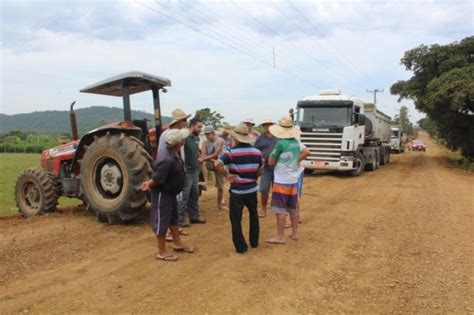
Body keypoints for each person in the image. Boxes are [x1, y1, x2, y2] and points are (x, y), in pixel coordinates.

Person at [141, 129, 194, 262]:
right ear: (179, 143)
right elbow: (157, 179)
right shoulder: (166, 159)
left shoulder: (173, 153)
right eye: (182, 139)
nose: (184, 140)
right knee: (162, 221)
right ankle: (162, 252)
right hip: (162, 194)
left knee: (173, 218)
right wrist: (148, 184)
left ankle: (177, 242)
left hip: (170, 193)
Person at [215, 123, 263, 254]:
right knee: (254, 215)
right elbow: (261, 170)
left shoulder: (231, 152)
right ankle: (254, 242)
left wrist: (227, 175)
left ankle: (241, 247)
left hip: (237, 191)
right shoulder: (257, 152)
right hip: (252, 189)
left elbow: (217, 164)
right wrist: (253, 177)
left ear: (235, 138)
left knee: (236, 219)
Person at [265, 116, 302, 245]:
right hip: (293, 179)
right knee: (293, 208)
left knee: (280, 209)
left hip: (281, 181)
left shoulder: (280, 143)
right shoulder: (296, 143)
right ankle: (294, 233)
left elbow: (270, 162)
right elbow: (305, 152)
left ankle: (280, 236)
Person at [178, 117, 207, 227]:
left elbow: (195, 152)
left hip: (194, 171)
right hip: (187, 172)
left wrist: (199, 157)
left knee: (194, 195)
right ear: (192, 125)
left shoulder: (196, 138)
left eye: (201, 127)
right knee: (184, 197)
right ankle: (179, 220)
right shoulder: (184, 138)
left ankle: (194, 217)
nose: (200, 129)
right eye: (199, 127)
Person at [254, 119, 278, 218]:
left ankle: (277, 209)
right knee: (264, 189)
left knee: (277, 189)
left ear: (272, 125)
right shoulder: (260, 138)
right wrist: (260, 158)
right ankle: (263, 209)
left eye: (269, 124)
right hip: (266, 167)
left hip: (278, 167)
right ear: (263, 126)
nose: (267, 126)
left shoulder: (278, 137)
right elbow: (255, 151)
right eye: (265, 125)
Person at [200, 125, 227, 210]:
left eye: (208, 134)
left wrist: (205, 158)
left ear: (213, 133)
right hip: (212, 162)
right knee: (201, 162)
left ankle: (219, 206)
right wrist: (209, 159)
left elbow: (216, 153)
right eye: (206, 134)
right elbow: (203, 155)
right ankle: (205, 181)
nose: (207, 136)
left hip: (219, 163)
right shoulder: (205, 142)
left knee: (220, 187)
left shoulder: (220, 140)